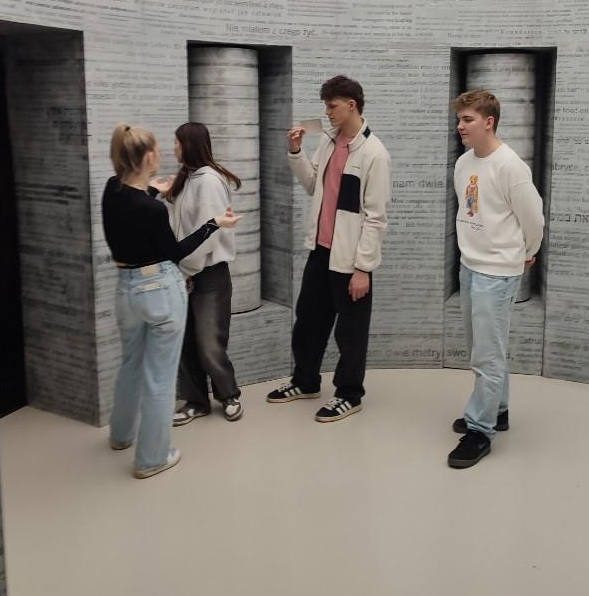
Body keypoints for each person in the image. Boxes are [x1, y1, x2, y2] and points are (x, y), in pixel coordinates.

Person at [102, 123, 240, 479]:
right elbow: (176, 252)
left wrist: (153, 190)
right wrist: (213, 224)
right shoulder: (152, 209)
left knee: (131, 365)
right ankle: (152, 458)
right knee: (160, 377)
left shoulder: (111, 189)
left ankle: (121, 435)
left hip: (126, 290)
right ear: (147, 157)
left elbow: (132, 205)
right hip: (160, 290)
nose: (167, 151)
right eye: (160, 148)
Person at [267, 75, 390, 422]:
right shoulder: (328, 142)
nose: (327, 112)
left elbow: (376, 217)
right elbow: (312, 185)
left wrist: (363, 268)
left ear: (351, 104)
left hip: (350, 260)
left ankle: (349, 394)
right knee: (308, 322)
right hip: (320, 251)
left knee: (350, 333)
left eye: (332, 106)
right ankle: (305, 381)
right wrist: (296, 152)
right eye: (326, 106)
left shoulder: (374, 153)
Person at [447, 89, 544, 469]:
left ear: (489, 122)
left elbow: (533, 218)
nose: (460, 126)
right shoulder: (464, 163)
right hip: (470, 266)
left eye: (467, 119)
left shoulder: (510, 166)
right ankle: (498, 410)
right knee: (482, 348)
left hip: (497, 272)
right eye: (459, 119)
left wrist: (527, 252)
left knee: (486, 354)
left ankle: (480, 430)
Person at [160, 122, 243, 426]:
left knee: (209, 343)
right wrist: (166, 195)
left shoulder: (208, 181)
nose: (173, 147)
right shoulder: (188, 177)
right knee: (185, 344)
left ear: (189, 145)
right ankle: (196, 402)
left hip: (208, 274)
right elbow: (178, 226)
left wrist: (185, 270)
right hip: (185, 272)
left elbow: (206, 233)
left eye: (176, 142)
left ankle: (229, 394)